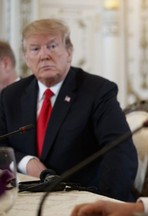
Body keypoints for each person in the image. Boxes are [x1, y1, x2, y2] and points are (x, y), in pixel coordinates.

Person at [0, 18, 138, 201]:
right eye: (35, 49)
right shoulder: (11, 96)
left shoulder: (97, 91)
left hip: (83, 199)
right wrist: (27, 162)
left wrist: (105, 203)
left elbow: (120, 152)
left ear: (69, 52)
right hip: (26, 199)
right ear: (26, 58)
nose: (44, 55)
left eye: (52, 46)